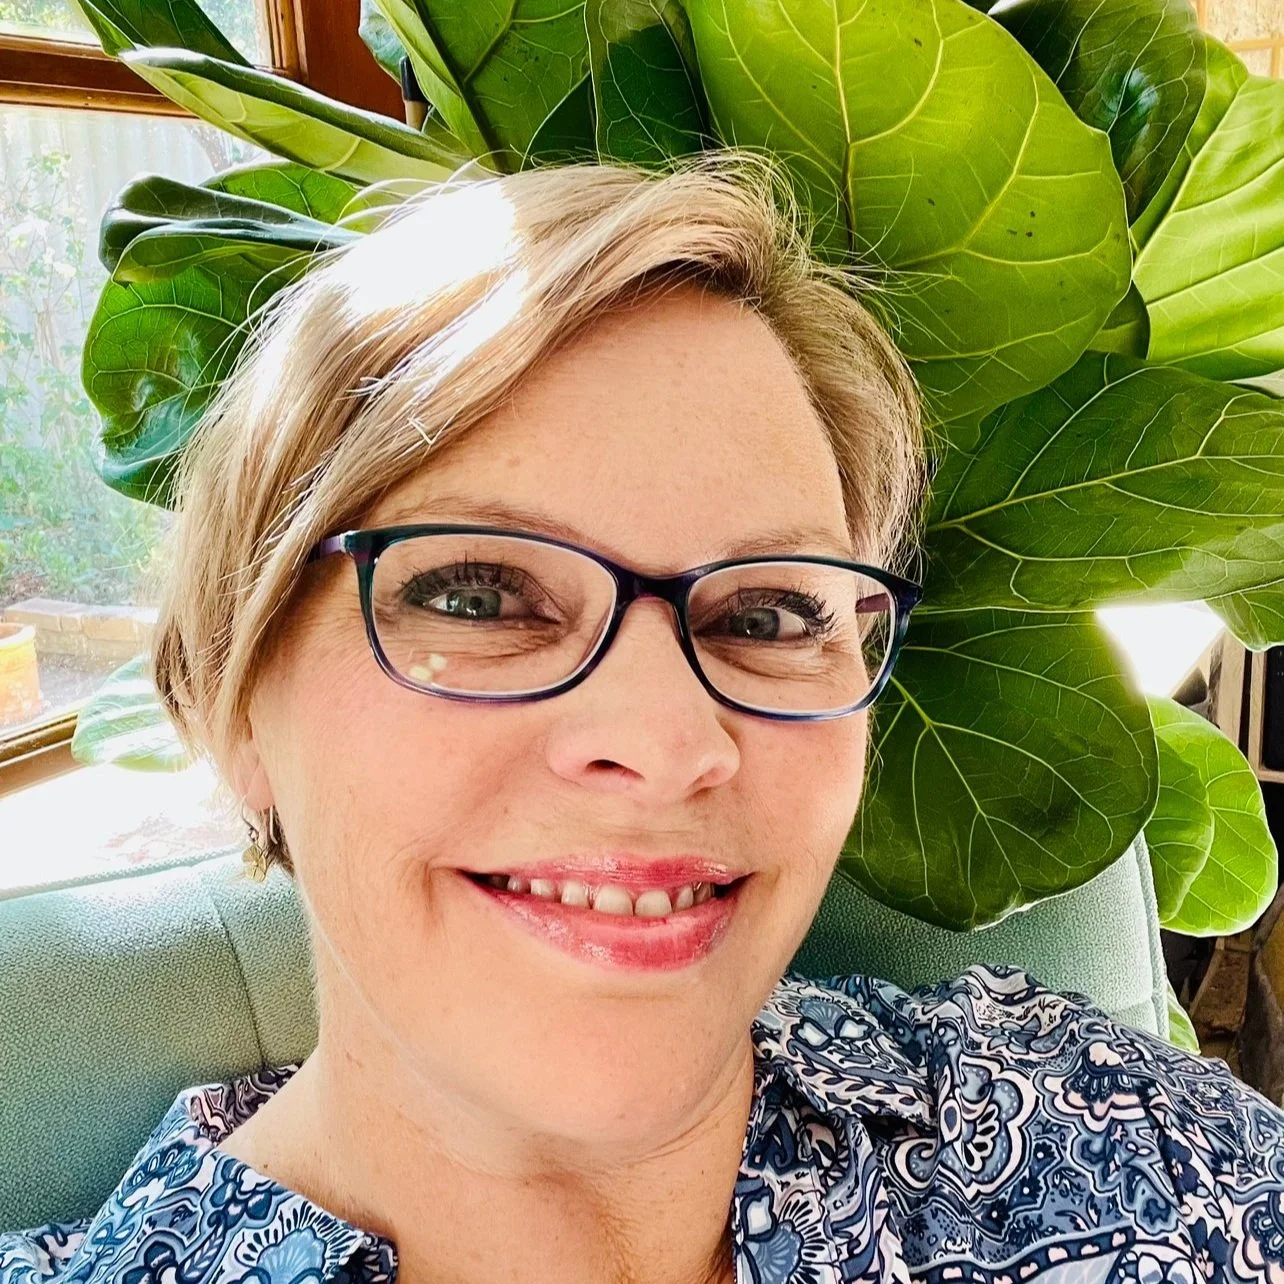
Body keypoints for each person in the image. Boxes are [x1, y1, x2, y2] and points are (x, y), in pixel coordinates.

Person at [2, 148, 1280, 1284]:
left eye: (769, 614)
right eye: (478, 594)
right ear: (231, 700)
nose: (670, 744)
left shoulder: (1115, 1135)